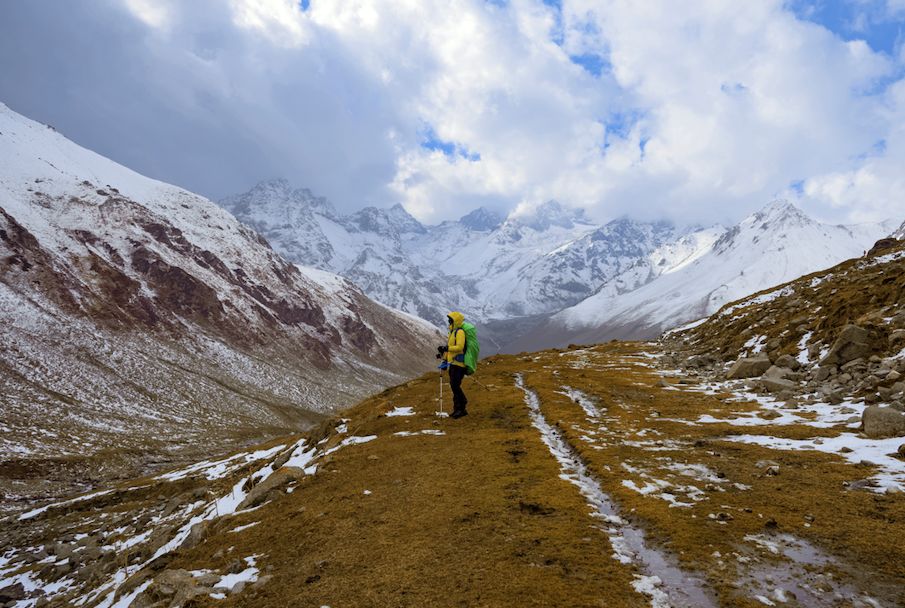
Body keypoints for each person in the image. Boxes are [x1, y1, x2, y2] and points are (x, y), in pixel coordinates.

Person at [439, 311, 468, 419]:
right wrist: (444, 358)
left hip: (459, 364)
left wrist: (447, 348)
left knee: (455, 385)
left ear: (455, 321)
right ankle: (458, 409)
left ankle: (462, 405)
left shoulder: (459, 332)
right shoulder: (452, 332)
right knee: (454, 386)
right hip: (453, 363)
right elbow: (449, 347)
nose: (448, 321)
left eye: (450, 320)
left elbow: (459, 347)